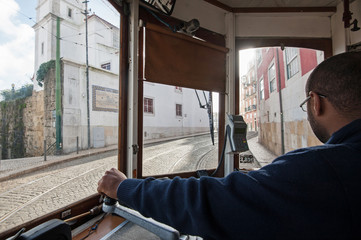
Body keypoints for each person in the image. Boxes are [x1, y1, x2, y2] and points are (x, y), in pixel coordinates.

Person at [98, 51, 361, 240]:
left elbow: (208, 200)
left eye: (306, 106)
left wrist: (122, 186)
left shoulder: (324, 167)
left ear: (316, 103)